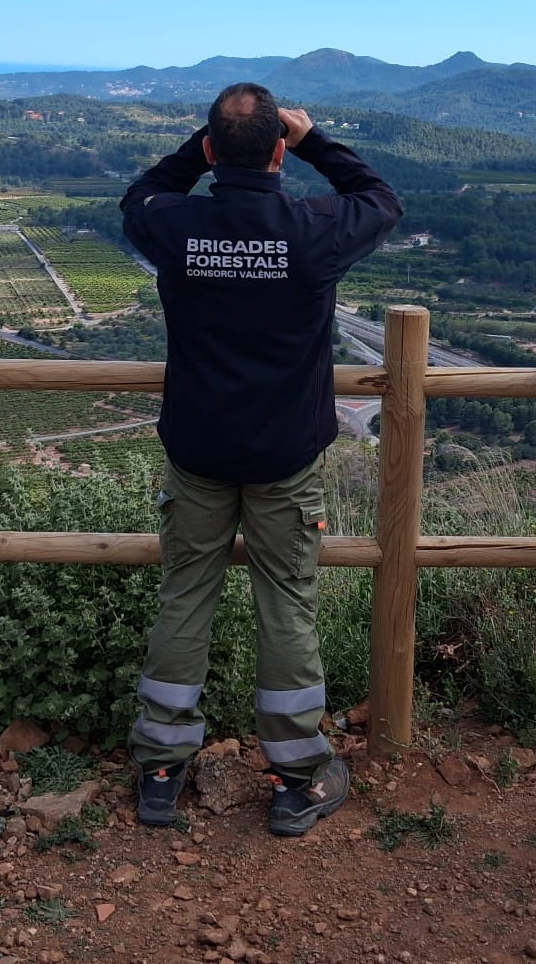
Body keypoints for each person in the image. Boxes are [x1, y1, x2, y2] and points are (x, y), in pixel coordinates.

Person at [120, 82, 402, 836]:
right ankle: (298, 776)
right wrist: (314, 142)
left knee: (185, 596)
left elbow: (140, 196)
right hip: (284, 457)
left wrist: (197, 150)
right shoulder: (312, 229)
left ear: (212, 150)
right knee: (288, 604)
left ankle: (160, 764)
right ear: (280, 148)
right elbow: (379, 195)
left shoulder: (177, 224)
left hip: (198, 450)